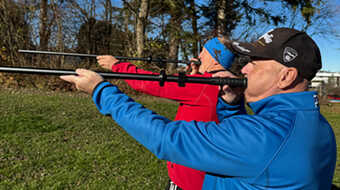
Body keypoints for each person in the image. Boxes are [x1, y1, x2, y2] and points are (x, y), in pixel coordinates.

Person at [60, 28, 337, 189]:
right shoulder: (318, 125)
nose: (245, 67)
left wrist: (100, 89)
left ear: (285, 77)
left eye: (255, 62)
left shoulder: (266, 137)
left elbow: (167, 138)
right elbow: (254, 158)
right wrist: (231, 105)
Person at [95, 37, 237, 190]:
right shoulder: (230, 90)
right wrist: (194, 75)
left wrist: (117, 66)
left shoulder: (204, 85)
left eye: (204, 52)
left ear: (215, 61)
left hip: (189, 179)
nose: (199, 56)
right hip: (208, 176)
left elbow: (152, 83)